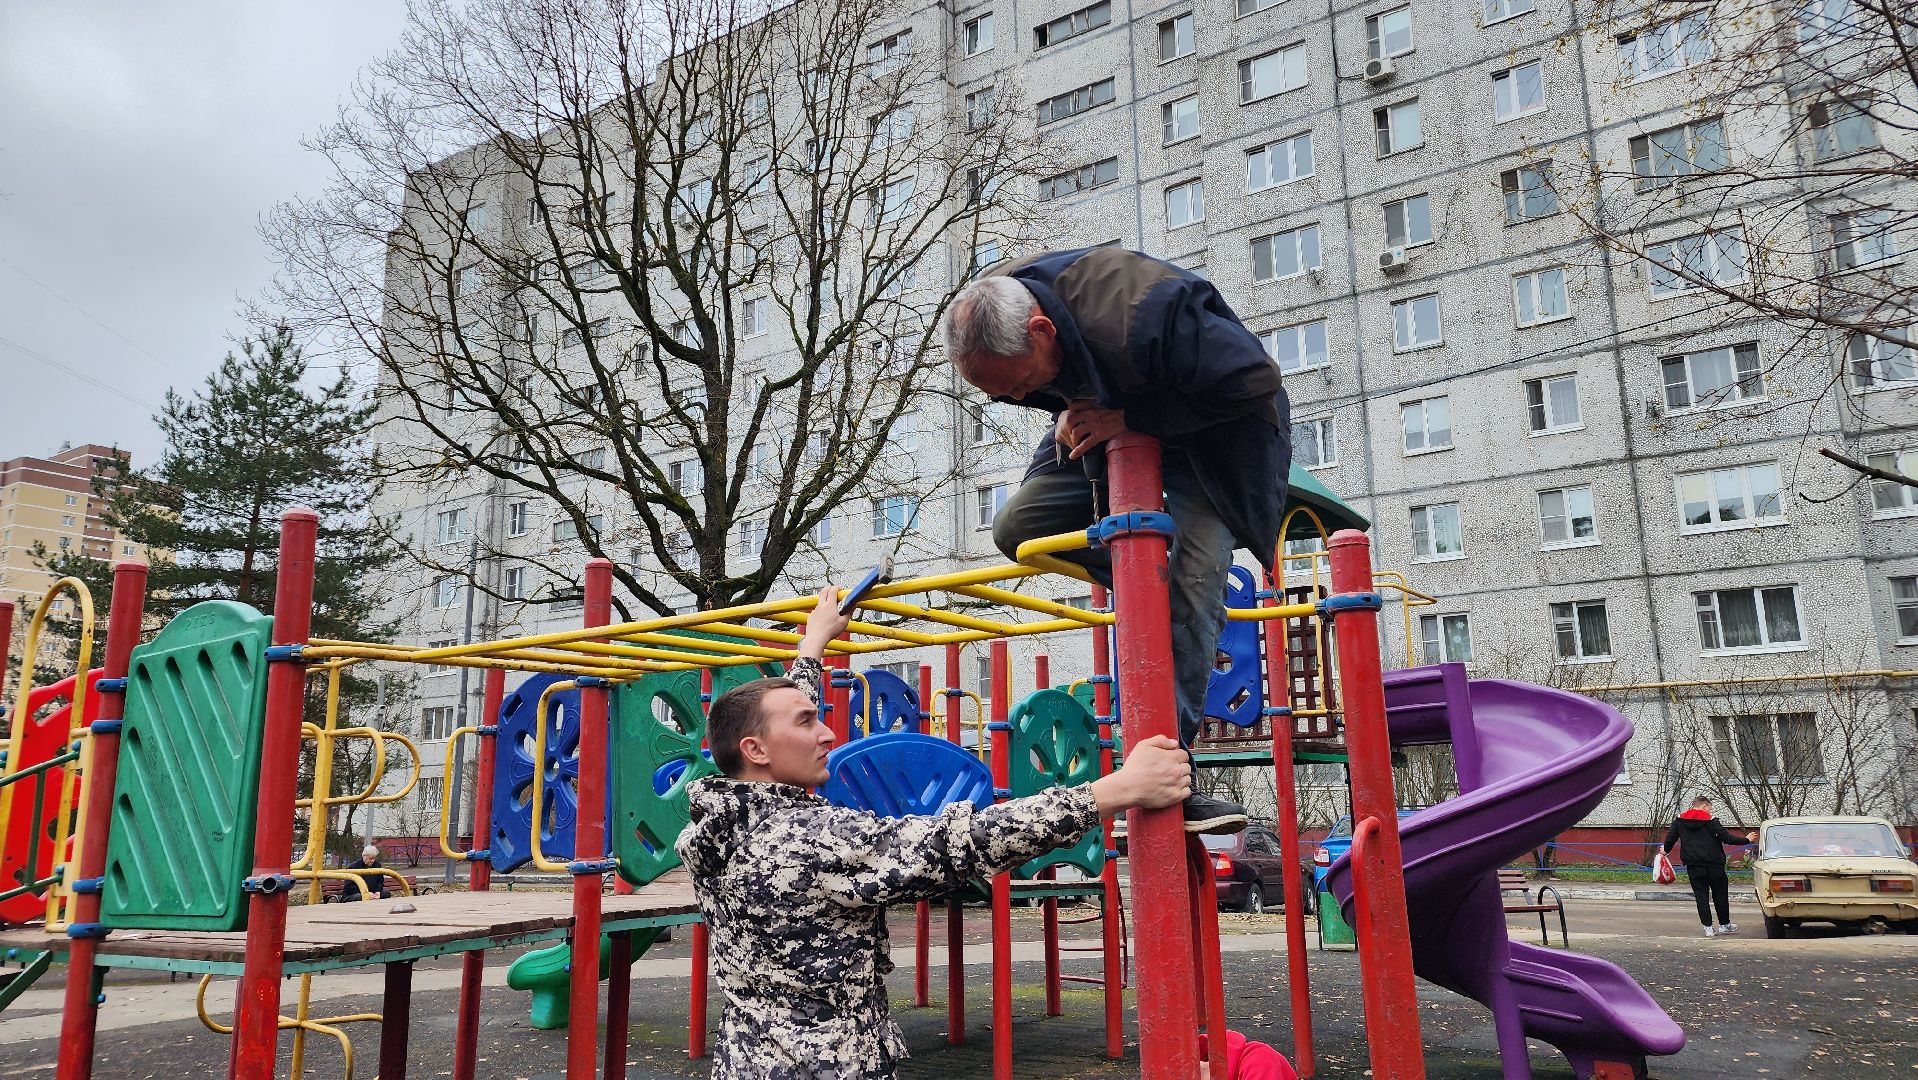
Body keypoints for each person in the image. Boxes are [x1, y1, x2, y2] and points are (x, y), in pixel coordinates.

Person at [677, 587, 1192, 1079]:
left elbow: (773, 721)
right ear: (756, 751)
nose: (828, 731)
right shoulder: (806, 840)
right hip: (827, 1064)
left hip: (748, 1053)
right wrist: (1115, 789)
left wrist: (814, 644)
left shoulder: (720, 823)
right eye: (809, 721)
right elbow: (960, 843)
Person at [942, 247, 1292, 834]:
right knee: (1017, 526)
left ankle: (1167, 767)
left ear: (1042, 330)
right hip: (1110, 414)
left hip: (1210, 435)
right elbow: (1044, 381)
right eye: (1009, 396)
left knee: (1197, 576)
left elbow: (1255, 381)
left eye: (1024, 384)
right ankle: (1155, 584)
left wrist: (1134, 419)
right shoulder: (1001, 304)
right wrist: (1065, 407)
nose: (1023, 398)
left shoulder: (1146, 314)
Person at [1661, 795, 1755, 937]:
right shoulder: (1711, 822)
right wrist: (1746, 840)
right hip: (1714, 864)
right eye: (1709, 808)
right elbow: (1727, 838)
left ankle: (1708, 928)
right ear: (1705, 805)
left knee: (1701, 896)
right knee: (1720, 895)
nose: (1710, 812)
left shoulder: (1679, 821)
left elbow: (1670, 839)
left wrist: (1665, 851)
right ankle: (1724, 925)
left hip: (1693, 865)